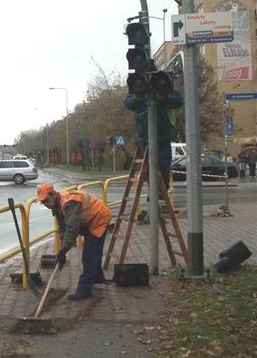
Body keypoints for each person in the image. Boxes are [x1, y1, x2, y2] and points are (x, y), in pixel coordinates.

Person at [37, 183, 112, 301]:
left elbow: (72, 228)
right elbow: (63, 228)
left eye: (46, 200)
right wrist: (63, 249)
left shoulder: (70, 203)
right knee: (92, 254)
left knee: (89, 257)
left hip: (98, 219)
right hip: (88, 221)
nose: (46, 204)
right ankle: (97, 278)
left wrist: (63, 251)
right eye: (43, 202)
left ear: (53, 194)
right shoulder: (57, 205)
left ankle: (84, 290)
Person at [124, 89, 183, 217]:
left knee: (163, 163)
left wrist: (165, 95)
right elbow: (128, 103)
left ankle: (161, 190)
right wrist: (136, 98)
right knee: (149, 166)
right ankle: (153, 190)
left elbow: (178, 101)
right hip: (145, 135)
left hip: (162, 134)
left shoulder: (163, 81)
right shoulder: (138, 84)